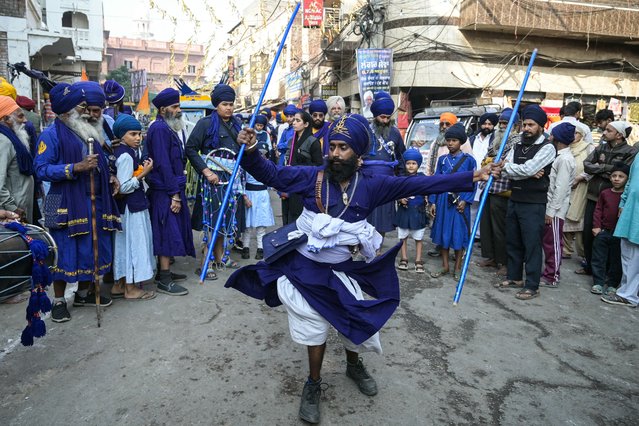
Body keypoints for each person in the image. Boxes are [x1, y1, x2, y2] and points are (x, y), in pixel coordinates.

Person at [225, 113, 490, 424]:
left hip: (342, 268)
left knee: (353, 319)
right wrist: (253, 148)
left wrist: (470, 178)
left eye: (342, 148)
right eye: (332, 147)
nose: (335, 154)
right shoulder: (312, 179)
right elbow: (273, 174)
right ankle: (313, 384)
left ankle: (353, 365)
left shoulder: (373, 185)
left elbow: (419, 182)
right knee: (315, 326)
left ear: (358, 154)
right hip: (305, 268)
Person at [34, 82, 121, 322]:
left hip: (91, 199)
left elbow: (99, 162)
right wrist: (76, 168)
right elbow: (40, 169)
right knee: (61, 253)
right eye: (81, 106)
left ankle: (83, 293)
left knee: (88, 248)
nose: (86, 110)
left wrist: (110, 176)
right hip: (60, 202)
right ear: (66, 110)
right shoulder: (50, 135)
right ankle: (59, 301)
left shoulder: (86, 130)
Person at [491, 105, 556, 300]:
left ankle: (532, 285)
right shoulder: (518, 144)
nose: (526, 128)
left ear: (540, 127)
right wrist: (520, 170)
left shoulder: (547, 148)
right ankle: (514, 277)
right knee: (513, 241)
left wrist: (515, 169)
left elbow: (526, 169)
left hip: (534, 203)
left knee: (531, 245)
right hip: (515, 198)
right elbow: (507, 167)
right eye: (524, 125)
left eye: (531, 125)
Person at [185, 84, 244, 275]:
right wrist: (206, 172)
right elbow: (191, 149)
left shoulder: (236, 125)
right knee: (211, 221)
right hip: (212, 180)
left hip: (231, 180)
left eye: (231, 104)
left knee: (225, 220)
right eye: (225, 104)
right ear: (216, 105)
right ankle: (206, 262)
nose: (229, 108)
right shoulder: (205, 124)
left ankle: (220, 258)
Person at [145, 87, 195, 295]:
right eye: (175, 107)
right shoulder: (158, 129)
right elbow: (163, 164)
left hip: (171, 187)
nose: (178, 110)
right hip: (165, 191)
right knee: (166, 231)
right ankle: (164, 279)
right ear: (163, 109)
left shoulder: (168, 128)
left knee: (172, 230)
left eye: (179, 106)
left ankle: (164, 272)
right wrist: (174, 194)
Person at [579, 121, 637, 276]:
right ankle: (589, 266)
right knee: (589, 231)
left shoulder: (630, 152)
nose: (604, 133)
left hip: (615, 198)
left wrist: (601, 167)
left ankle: (607, 272)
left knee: (610, 235)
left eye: (608, 130)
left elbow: (623, 171)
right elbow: (587, 165)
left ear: (619, 135)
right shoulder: (601, 147)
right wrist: (607, 169)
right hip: (593, 195)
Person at [110, 114, 156, 300]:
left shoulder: (122, 152)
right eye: (133, 134)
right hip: (131, 208)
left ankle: (119, 285)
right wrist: (143, 174)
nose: (138, 138)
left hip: (125, 208)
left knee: (123, 245)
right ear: (122, 136)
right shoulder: (127, 156)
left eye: (139, 134)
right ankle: (131, 289)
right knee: (133, 246)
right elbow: (123, 187)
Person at [428, 123, 477, 279]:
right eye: (448, 140)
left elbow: (473, 182)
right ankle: (445, 266)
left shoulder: (469, 160)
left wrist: (466, 200)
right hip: (443, 200)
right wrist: (433, 201)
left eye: (454, 140)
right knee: (444, 234)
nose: (450, 143)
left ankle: (457, 267)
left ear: (460, 142)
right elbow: (436, 181)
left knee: (458, 234)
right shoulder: (442, 160)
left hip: (459, 201)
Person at [478, 108, 520, 275]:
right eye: (501, 123)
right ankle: (491, 257)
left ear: (515, 126)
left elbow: (503, 164)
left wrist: (492, 163)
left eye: (506, 124)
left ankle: (504, 261)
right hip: (488, 188)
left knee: (500, 228)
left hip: (503, 191)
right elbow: (487, 160)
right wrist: (490, 162)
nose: (502, 126)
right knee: (486, 226)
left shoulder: (516, 142)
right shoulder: (496, 140)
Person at [363, 92, 405, 238]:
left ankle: (378, 249)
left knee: (382, 220)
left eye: (388, 117)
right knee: (365, 217)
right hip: (367, 181)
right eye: (382, 117)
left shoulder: (395, 133)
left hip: (387, 182)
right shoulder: (366, 131)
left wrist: (402, 185)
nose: (385, 120)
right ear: (375, 116)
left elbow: (401, 159)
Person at [541, 123, 576, 288]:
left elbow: (560, 188)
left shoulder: (564, 159)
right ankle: (549, 272)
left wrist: (551, 211)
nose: (550, 137)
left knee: (553, 243)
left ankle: (552, 276)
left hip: (555, 210)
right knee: (548, 241)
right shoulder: (560, 156)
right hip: (551, 207)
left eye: (552, 135)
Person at [601, 158, 639, 307]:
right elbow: (630, 182)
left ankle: (629, 295)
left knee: (636, 256)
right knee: (627, 252)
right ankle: (624, 290)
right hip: (630, 211)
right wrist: (623, 202)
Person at [590, 162, 628, 296]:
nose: (616, 179)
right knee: (599, 258)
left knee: (616, 259)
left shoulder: (626, 197)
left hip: (619, 234)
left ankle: (612, 284)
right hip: (603, 231)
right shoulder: (605, 193)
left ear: (627, 179)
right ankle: (598, 283)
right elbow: (598, 210)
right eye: (614, 176)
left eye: (621, 176)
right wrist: (596, 226)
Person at [282, 110, 323, 224]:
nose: (294, 122)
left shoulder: (313, 142)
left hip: (305, 184)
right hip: (290, 182)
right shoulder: (291, 141)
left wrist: (299, 167)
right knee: (288, 215)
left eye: (297, 120)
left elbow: (318, 165)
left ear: (306, 124)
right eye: (294, 120)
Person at [243, 118, 275, 260]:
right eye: (258, 152)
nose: (261, 155)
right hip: (249, 194)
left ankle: (260, 249)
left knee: (261, 225)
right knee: (248, 225)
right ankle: (245, 247)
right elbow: (241, 181)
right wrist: (244, 196)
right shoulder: (247, 165)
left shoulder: (268, 166)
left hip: (262, 194)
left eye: (263, 153)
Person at [0, 96, 35, 223]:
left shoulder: (12, 137)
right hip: (13, 212)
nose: (25, 120)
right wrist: (12, 208)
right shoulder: (3, 141)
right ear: (6, 119)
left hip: (20, 206)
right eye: (20, 116)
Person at [562, 126, 594, 260]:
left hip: (582, 187)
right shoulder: (566, 147)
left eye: (576, 133)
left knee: (579, 220)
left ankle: (583, 253)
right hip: (566, 187)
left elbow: (593, 167)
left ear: (582, 135)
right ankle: (565, 249)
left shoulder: (589, 148)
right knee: (564, 215)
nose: (573, 135)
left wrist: (580, 177)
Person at [395, 149, 428, 273]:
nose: (411, 166)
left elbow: (428, 192)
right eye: (408, 163)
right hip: (404, 212)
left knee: (418, 238)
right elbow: (395, 192)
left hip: (418, 212)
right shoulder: (401, 178)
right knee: (403, 237)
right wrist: (400, 199)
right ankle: (404, 258)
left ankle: (418, 260)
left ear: (418, 164)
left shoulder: (423, 178)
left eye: (414, 163)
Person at [468, 112, 498, 238]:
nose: (486, 126)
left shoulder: (496, 139)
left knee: (483, 207)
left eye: (489, 124)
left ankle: (480, 235)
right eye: (484, 123)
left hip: (487, 177)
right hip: (474, 176)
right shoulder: (472, 139)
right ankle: (471, 233)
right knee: (472, 207)